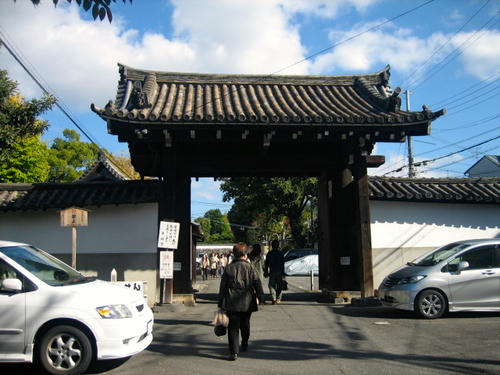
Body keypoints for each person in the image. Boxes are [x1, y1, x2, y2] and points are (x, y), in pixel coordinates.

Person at [218, 242, 265, 361]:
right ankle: (244, 342)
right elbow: (257, 282)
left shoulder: (229, 268)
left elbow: (223, 286)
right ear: (245, 254)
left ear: (234, 254)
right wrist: (261, 297)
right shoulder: (249, 267)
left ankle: (234, 352)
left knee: (233, 327)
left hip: (231, 300)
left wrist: (220, 301)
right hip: (247, 300)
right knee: (245, 323)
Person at [264, 239, 285, 304]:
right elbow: (282, 264)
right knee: (279, 285)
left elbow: (266, 264)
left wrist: (266, 271)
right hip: (279, 271)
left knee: (271, 285)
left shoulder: (269, 254)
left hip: (272, 271)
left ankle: (273, 298)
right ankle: (278, 299)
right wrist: (283, 272)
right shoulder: (280, 254)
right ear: (278, 246)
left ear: (272, 246)